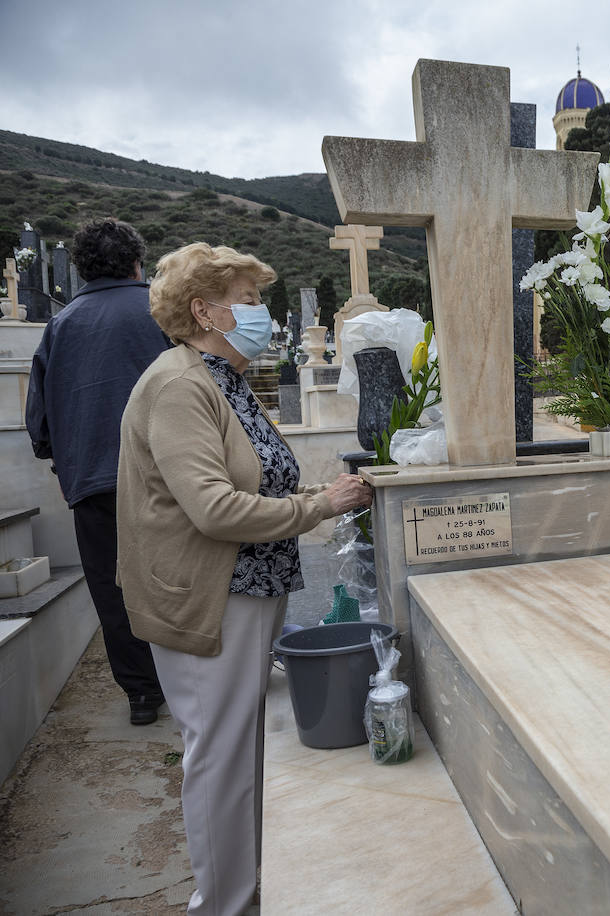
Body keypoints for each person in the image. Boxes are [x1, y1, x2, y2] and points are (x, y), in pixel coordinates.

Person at [117, 242, 373, 915]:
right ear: (205, 310)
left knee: (238, 754)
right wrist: (322, 505)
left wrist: (325, 489)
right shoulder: (179, 386)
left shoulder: (224, 381)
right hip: (208, 597)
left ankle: (249, 887)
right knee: (220, 759)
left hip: (249, 589)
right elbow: (212, 507)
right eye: (251, 301)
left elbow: (260, 477)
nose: (264, 314)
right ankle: (224, 904)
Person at [26, 217, 170, 725]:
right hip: (167, 474)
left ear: (83, 268)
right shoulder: (161, 311)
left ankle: (141, 694)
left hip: (91, 478)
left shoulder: (61, 324)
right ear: (137, 262)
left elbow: (37, 418)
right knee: (178, 574)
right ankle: (189, 676)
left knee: (113, 588)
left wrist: (60, 456)